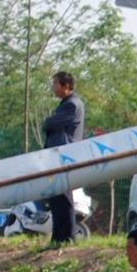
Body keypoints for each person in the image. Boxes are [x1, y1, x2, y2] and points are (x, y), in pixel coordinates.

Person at [41, 71, 85, 244]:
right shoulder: (66, 104)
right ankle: (58, 236)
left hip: (64, 156)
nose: (53, 88)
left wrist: (49, 122)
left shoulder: (72, 105)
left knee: (63, 199)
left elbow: (50, 124)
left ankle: (67, 236)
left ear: (66, 86)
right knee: (56, 198)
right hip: (58, 157)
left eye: (55, 84)